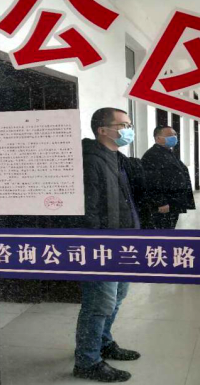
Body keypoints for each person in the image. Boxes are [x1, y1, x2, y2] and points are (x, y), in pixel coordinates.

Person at [73, 107, 141, 383]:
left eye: (129, 124)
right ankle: (87, 361)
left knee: (116, 297)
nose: (129, 129)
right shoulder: (90, 161)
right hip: (102, 246)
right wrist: (96, 246)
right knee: (98, 304)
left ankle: (103, 343)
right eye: (123, 125)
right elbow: (87, 210)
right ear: (103, 130)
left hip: (123, 242)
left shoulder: (117, 158)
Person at [141, 126, 195, 229]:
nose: (174, 137)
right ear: (158, 138)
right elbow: (151, 181)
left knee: (170, 227)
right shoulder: (152, 155)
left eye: (175, 134)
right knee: (163, 230)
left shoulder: (168, 152)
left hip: (172, 201)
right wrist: (160, 202)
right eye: (170, 135)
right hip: (164, 204)